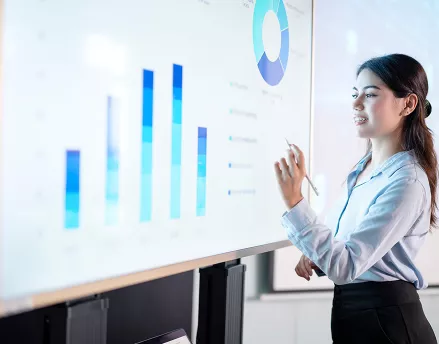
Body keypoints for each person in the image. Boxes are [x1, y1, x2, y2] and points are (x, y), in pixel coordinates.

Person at [275, 54, 438, 344]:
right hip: (359, 317)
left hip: (387, 324)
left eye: (371, 94)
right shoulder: (364, 169)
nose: (355, 103)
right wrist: (318, 256)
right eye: (355, 94)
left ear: (408, 104)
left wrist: (295, 203)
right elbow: (357, 251)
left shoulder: (407, 181)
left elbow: (347, 266)